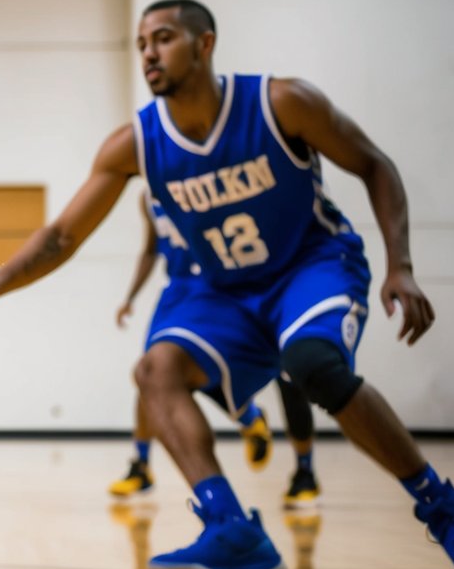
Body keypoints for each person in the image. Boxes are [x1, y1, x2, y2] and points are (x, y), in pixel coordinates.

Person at [0, 0, 454, 569]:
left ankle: (445, 509)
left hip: (311, 265)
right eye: (140, 45)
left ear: (204, 44)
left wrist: (401, 265)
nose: (149, 54)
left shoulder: (281, 102)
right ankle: (232, 531)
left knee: (312, 363)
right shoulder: (133, 144)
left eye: (162, 38)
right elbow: (62, 235)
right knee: (156, 370)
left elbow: (375, 164)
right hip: (224, 291)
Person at [110, 191, 319, 510]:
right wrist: (129, 297)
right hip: (180, 292)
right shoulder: (147, 199)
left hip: (227, 285)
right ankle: (142, 464)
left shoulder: (205, 179)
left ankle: (303, 469)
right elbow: (150, 250)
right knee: (152, 373)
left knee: (287, 373)